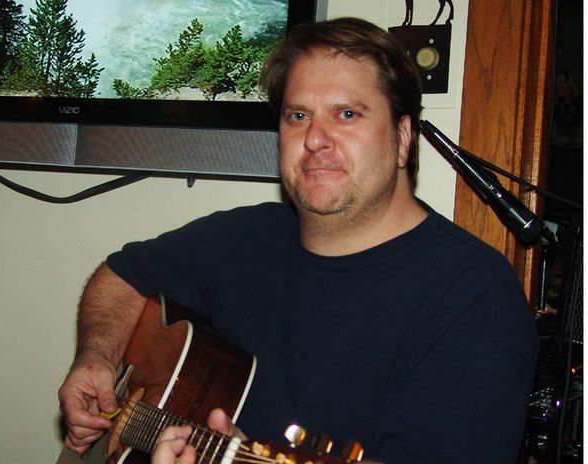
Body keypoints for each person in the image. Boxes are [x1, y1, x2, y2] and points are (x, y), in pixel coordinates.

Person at [58, 17, 539, 464]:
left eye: (347, 113)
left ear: (402, 138)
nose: (314, 139)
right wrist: (96, 357)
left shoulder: (474, 299)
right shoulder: (242, 237)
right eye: (298, 116)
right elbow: (122, 275)